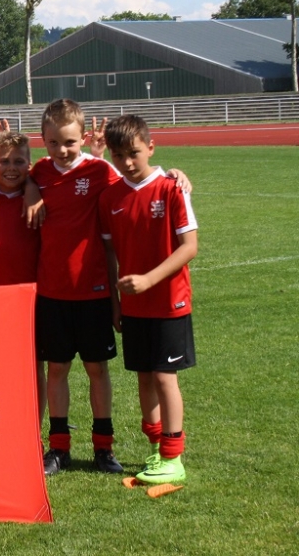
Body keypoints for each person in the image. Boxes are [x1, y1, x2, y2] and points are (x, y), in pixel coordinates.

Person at [99, 115, 197, 485]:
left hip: (170, 301)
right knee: (144, 377)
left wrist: (149, 279)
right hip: (133, 306)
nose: (127, 162)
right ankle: (156, 448)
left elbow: (189, 247)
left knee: (163, 376)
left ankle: (174, 456)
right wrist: (116, 302)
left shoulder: (172, 188)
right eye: (118, 155)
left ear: (151, 148)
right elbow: (110, 255)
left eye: (134, 153)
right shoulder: (110, 197)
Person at [31, 99, 127, 476]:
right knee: (56, 369)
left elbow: (135, 182)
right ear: (43, 140)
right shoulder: (39, 172)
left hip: (94, 291)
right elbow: (8, 174)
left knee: (96, 369)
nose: (62, 150)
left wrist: (173, 174)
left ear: (83, 138)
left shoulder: (99, 170)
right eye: (53, 143)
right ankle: (59, 449)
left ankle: (103, 447)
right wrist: (30, 188)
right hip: (51, 292)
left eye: (69, 142)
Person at [0, 131, 43, 417]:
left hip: (34, 299)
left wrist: (32, 186)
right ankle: (1, 423)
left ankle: (34, 429)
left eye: (18, 162)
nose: (11, 168)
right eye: (3, 161)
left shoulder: (40, 199)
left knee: (34, 365)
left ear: (29, 165)